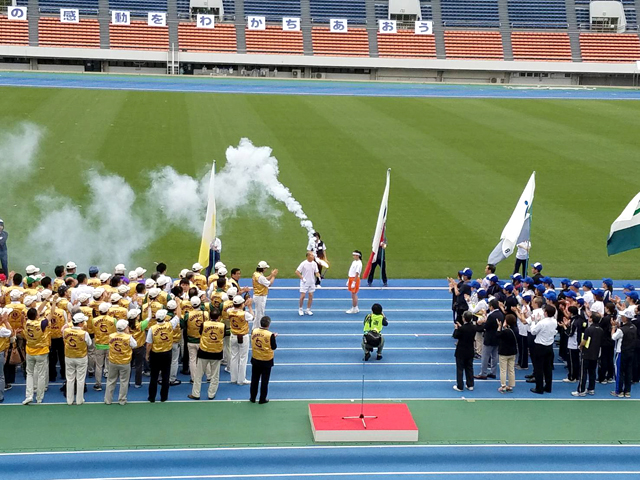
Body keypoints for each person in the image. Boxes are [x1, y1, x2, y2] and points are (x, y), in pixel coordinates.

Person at [188, 308, 224, 401]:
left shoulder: (204, 324)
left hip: (204, 351)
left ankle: (195, 394)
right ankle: (211, 394)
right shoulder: (222, 325)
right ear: (219, 317)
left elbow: (200, 333)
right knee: (215, 375)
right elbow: (223, 335)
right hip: (216, 352)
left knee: (198, 374)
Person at [146, 309, 180, 403]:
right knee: (166, 376)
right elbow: (178, 316)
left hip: (155, 354)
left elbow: (149, 344)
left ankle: (152, 397)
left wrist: (147, 354)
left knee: (154, 376)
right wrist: (178, 304)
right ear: (164, 317)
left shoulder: (152, 328)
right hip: (167, 353)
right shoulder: (170, 325)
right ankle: (164, 397)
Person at [104, 320, 137, 406]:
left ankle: (108, 399)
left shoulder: (111, 336)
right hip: (124, 362)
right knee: (124, 382)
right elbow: (135, 345)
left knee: (110, 380)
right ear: (125, 328)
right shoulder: (128, 337)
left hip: (113, 361)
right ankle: (122, 400)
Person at [62, 312, 92, 405]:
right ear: (80, 323)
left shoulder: (66, 331)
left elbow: (64, 339)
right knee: (80, 379)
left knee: (70, 378)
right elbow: (89, 343)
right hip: (81, 357)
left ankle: (69, 400)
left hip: (69, 356)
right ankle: (79, 400)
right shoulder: (84, 333)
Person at [22, 303, 49, 405]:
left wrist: (45, 301)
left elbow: (37, 311)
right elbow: (50, 314)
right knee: (41, 375)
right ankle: (39, 397)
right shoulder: (42, 324)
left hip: (30, 351)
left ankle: (29, 395)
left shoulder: (27, 322)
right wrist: (53, 302)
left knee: (29, 373)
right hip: (41, 352)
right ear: (37, 316)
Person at [572, 312, 603, 397]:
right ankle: (591, 389)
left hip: (586, 353)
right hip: (596, 353)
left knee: (583, 372)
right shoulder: (601, 330)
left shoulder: (588, 329)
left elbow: (584, 341)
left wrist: (580, 346)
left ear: (591, 319)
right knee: (592, 372)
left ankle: (581, 390)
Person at [529, 304, 557, 394]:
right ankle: (548, 387)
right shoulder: (554, 321)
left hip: (540, 346)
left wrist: (533, 322)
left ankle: (539, 388)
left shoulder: (542, 323)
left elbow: (533, 331)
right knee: (548, 368)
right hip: (549, 346)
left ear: (546, 313)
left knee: (538, 368)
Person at [250, 315, 278, 404]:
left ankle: (252, 397)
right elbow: (274, 347)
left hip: (256, 358)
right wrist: (273, 338)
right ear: (268, 325)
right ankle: (262, 399)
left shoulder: (254, 331)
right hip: (266, 360)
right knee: (264, 381)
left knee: (254, 379)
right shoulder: (270, 335)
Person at [228, 295, 254, 385]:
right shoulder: (244, 314)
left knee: (234, 357)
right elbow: (252, 317)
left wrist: (243, 305)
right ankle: (241, 379)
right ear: (241, 304)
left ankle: (233, 378)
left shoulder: (229, 311)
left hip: (233, 336)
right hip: (243, 336)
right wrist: (249, 306)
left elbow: (234, 308)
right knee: (243, 358)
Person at [611, 309, 636, 397]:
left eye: (622, 316)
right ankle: (627, 391)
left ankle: (619, 391)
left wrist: (613, 328)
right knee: (628, 372)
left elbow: (613, 337)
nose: (621, 317)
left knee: (619, 372)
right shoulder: (634, 327)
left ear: (625, 318)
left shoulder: (621, 330)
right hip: (631, 352)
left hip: (621, 352)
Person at [474, 299, 502, 380]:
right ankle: (493, 372)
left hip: (489, 338)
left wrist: (481, 322)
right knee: (494, 356)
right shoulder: (501, 314)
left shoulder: (491, 316)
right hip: (497, 337)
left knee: (485, 356)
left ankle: (483, 373)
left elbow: (486, 326)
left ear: (492, 307)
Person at [91, 303, 116, 391]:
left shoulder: (94, 320)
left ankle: (98, 384)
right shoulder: (113, 320)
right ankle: (110, 383)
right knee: (110, 365)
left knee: (98, 366)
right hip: (110, 344)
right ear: (108, 311)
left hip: (99, 344)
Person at [453, 311, 475, 392]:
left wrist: (456, 328)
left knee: (460, 369)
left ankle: (460, 386)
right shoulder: (473, 327)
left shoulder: (462, 329)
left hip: (461, 351)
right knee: (469, 368)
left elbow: (455, 336)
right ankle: (470, 384)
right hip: (470, 350)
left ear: (464, 318)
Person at [496, 314, 518, 393]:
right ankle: (511, 385)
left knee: (503, 370)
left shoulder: (506, 332)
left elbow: (498, 335)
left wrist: (499, 326)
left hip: (504, 353)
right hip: (513, 352)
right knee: (511, 369)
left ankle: (503, 386)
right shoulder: (516, 330)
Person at [252, 261, 278, 327]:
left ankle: (255, 327)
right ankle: (259, 327)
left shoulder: (256, 274)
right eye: (265, 268)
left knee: (258, 313)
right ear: (263, 269)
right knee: (260, 314)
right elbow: (269, 284)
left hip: (258, 295)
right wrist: (273, 276)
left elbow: (265, 279)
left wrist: (271, 275)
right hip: (260, 296)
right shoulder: (260, 276)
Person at [296, 251, 319, 316]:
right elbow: (297, 272)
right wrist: (302, 278)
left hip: (312, 282)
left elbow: (316, 272)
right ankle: (300, 309)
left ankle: (308, 309)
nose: (313, 256)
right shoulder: (303, 263)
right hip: (304, 282)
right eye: (312, 255)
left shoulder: (314, 264)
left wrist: (318, 276)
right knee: (302, 296)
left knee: (311, 296)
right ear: (308, 256)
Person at [0, 309, 12, 403]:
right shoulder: (2, 330)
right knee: (0, 376)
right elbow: (11, 332)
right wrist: (6, 321)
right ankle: (0, 396)